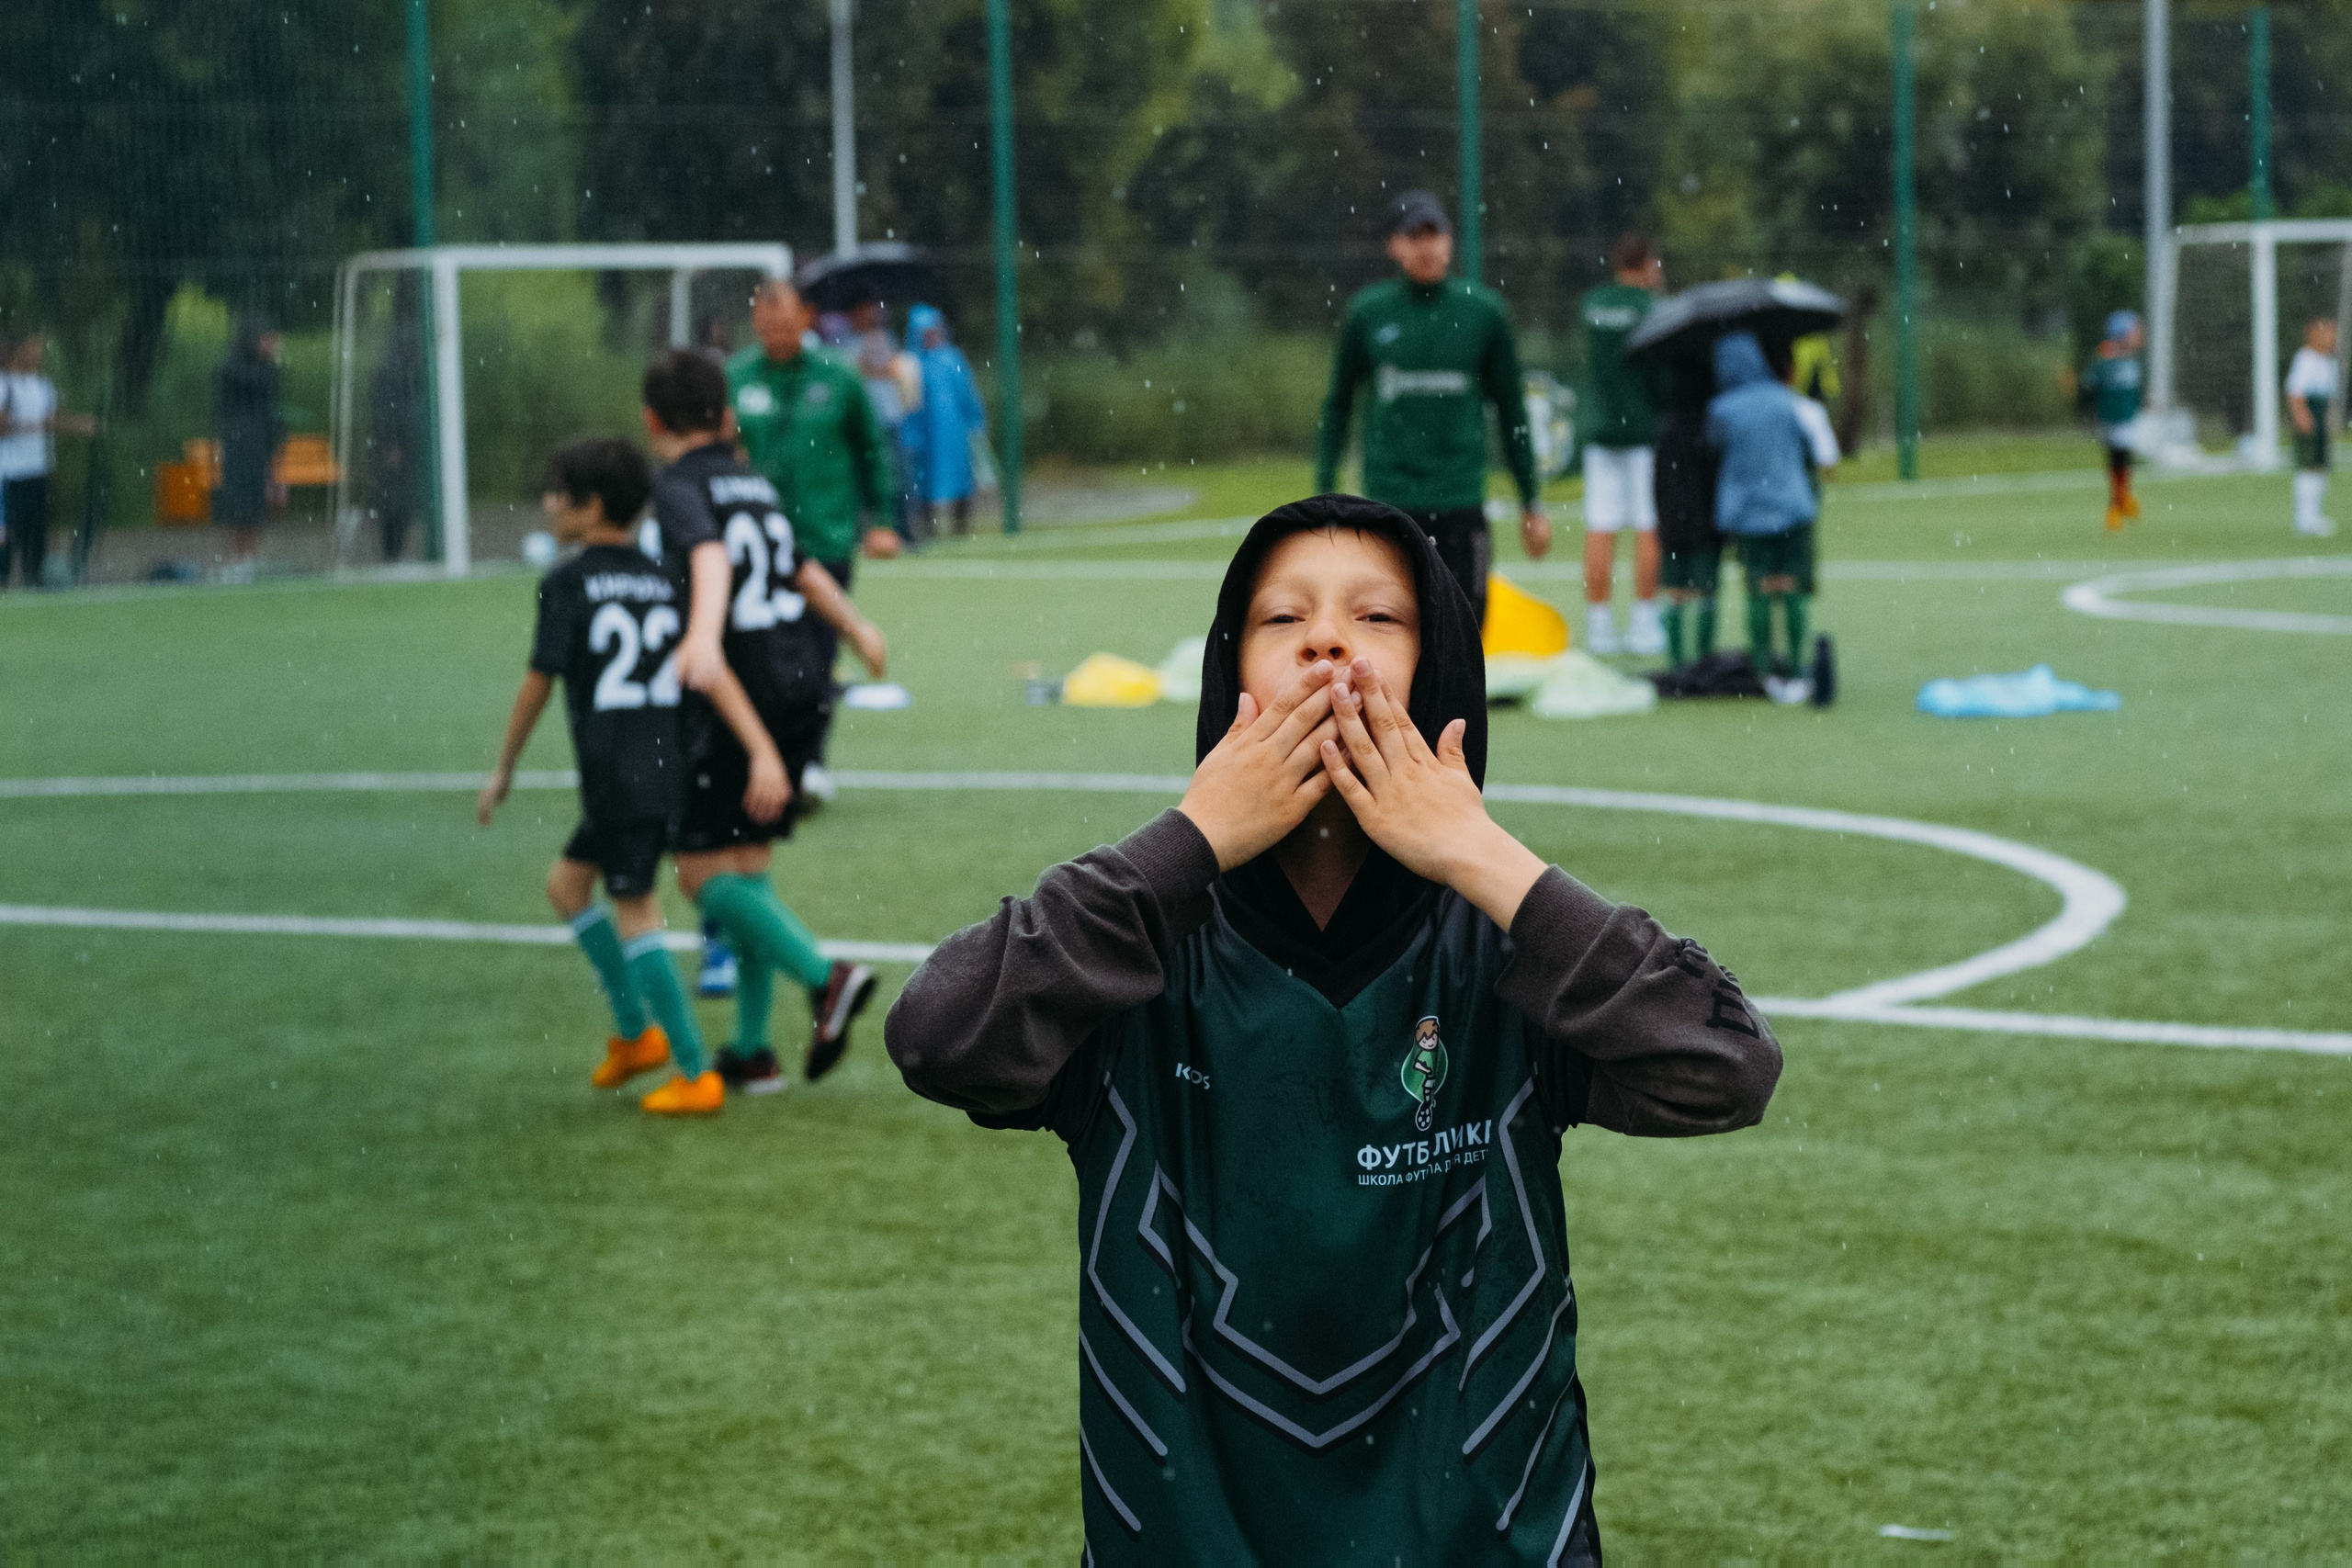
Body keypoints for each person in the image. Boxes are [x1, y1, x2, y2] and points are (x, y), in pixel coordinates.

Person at [886, 492, 1779, 1556]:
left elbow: (1726, 1065)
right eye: (1281, 620)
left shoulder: (1505, 951)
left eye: (1377, 619)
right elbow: (937, 1038)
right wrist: (1191, 837)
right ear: (1229, 685)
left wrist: (1479, 854)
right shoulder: (1131, 953)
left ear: (1440, 674)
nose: (1324, 640)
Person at [478, 436, 789, 1114]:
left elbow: (538, 683)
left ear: (589, 508)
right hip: (664, 768)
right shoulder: (660, 577)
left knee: (636, 910)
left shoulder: (567, 581)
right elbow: (706, 670)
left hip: (619, 777)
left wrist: (503, 766)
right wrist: (758, 746)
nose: (549, 503)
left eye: (559, 491)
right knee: (566, 885)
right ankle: (634, 1032)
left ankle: (692, 1068)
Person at [646, 350, 889, 1098]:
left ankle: (826, 976)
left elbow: (712, 557)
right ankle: (751, 1050)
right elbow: (800, 567)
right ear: (726, 414)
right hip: (801, 679)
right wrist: (855, 626)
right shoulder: (752, 481)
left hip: (739, 682)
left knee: (696, 872)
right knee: (748, 863)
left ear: (654, 421)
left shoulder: (680, 485)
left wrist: (701, 634)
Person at [1315, 190, 1550, 626]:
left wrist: (1531, 501)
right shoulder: (1368, 313)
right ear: (1393, 245)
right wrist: (1324, 495)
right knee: (1390, 628)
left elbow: (1512, 412)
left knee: (1467, 627)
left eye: (1436, 234)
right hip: (1391, 501)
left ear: (1450, 240)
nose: (1428, 246)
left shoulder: (1484, 313)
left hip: (1460, 497)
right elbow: (1338, 406)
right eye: (1414, 235)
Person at [727, 276, 898, 798]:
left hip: (824, 539)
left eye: (785, 321)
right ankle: (759, 758)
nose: (776, 331)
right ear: (756, 322)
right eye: (766, 322)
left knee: (816, 656)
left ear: (805, 318)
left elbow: (872, 452)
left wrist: (884, 519)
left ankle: (810, 762)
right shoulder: (735, 380)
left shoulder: (840, 381)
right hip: (752, 548)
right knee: (754, 656)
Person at [1705, 332, 1821, 705]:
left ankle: (1763, 671)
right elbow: (1808, 449)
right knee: (1793, 587)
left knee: (1759, 587)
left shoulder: (1722, 408)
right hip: (1793, 508)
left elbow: (1713, 448)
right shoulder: (1787, 401)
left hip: (1749, 514)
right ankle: (1799, 666)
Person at [1577, 233, 1667, 656]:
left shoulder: (1592, 305)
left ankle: (1599, 627)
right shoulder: (1653, 308)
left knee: (1600, 526)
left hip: (1601, 431)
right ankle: (1644, 623)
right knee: (1649, 525)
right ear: (1647, 263)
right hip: (1644, 432)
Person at [1, 333, 94, 589]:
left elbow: (51, 421)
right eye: (31, 348)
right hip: (11, 471)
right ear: (18, 350)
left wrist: (77, 424)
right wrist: (35, 426)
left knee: (37, 529)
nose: (37, 354)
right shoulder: (5, 385)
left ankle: (34, 577)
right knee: (10, 530)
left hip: (38, 469)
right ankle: (4, 577)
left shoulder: (43, 385)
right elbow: (4, 428)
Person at [1652, 352, 1724, 670]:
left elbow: (1658, 482)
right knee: (1707, 590)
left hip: (1673, 524)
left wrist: (1664, 519)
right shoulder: (1711, 430)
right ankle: (1704, 658)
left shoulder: (1666, 431)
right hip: (1706, 523)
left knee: (1676, 591)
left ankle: (1677, 662)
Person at [899, 303, 989, 538]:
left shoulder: (952, 358)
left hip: (954, 431)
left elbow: (967, 393)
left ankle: (961, 527)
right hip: (925, 433)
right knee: (925, 481)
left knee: (961, 477)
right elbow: (909, 404)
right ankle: (929, 528)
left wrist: (975, 422)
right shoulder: (911, 363)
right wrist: (911, 434)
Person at [215, 315, 286, 579]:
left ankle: (249, 557)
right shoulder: (234, 368)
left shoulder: (265, 369)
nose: (271, 345)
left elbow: (269, 407)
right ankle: (236, 557)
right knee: (238, 503)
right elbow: (252, 385)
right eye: (266, 339)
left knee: (256, 503)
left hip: (259, 444)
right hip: (239, 444)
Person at [2077, 310, 2144, 532]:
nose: (2137, 336)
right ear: (2121, 334)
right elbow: (2088, 385)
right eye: (2133, 331)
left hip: (2128, 418)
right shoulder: (2106, 359)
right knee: (2119, 458)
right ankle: (2116, 505)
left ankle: (2122, 499)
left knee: (2123, 459)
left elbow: (2133, 391)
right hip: (2112, 419)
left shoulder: (2131, 360)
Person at [2285, 315, 2338, 538]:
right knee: (2307, 466)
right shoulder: (2305, 359)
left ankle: (2314, 516)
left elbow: (2328, 397)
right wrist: (2303, 417)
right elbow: (2296, 392)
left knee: (2319, 466)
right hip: (2309, 418)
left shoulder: (2327, 361)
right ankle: (2304, 518)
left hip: (2320, 417)